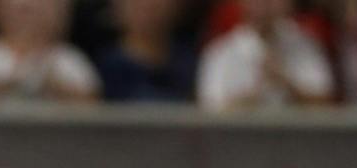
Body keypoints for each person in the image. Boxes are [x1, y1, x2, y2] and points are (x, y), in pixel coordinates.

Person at [0, 0, 101, 101]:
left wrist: (55, 86)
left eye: (36, 12)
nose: (27, 20)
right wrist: (9, 84)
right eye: (21, 12)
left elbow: (94, 110)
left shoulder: (70, 59)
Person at [197, 0, 336, 108]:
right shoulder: (220, 52)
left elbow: (327, 105)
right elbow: (211, 114)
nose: (266, 5)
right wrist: (256, 92)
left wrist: (287, 85)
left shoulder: (306, 45)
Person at [95, 0, 197, 102]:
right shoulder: (105, 68)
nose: (148, 5)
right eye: (136, 4)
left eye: (155, 4)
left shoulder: (188, 63)